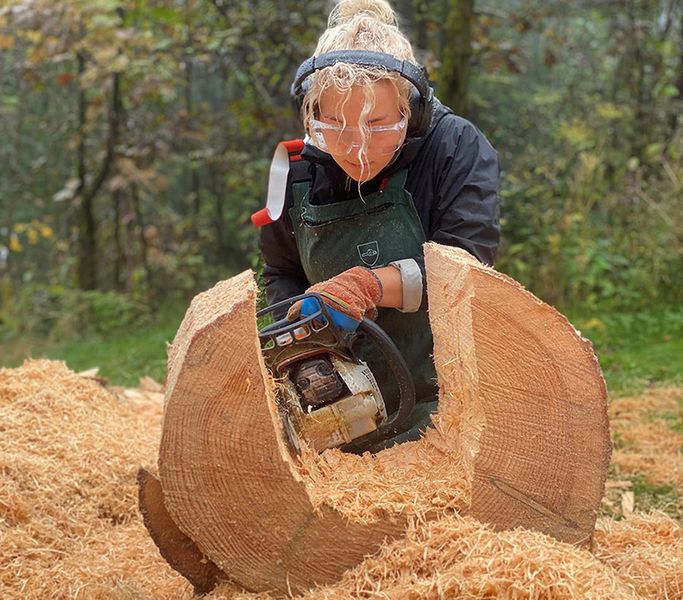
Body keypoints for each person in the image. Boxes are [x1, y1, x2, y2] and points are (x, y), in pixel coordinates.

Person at [258, 0, 500, 449]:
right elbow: (282, 271)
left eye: (378, 124)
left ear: (411, 111)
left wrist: (369, 285)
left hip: (444, 392)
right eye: (336, 126)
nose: (358, 150)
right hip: (339, 397)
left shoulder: (454, 146)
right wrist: (301, 346)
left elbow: (468, 269)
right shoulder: (296, 169)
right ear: (312, 117)